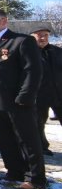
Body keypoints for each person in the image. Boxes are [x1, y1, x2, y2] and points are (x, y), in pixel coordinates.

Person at [0, 9, 45, 189]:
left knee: (27, 139)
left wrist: (25, 96)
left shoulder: (21, 41)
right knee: (4, 138)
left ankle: (35, 178)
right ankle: (14, 171)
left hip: (16, 101)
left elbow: (33, 70)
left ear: (4, 21)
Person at [30, 27, 62, 156]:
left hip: (59, 93)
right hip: (39, 95)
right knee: (38, 123)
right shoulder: (29, 52)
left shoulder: (57, 51)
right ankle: (42, 147)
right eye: (39, 35)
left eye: (46, 35)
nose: (43, 38)